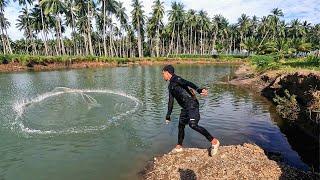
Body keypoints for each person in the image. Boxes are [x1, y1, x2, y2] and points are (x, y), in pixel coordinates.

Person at [162, 65, 220, 155]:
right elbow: (170, 101)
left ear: (167, 73)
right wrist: (168, 115)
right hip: (185, 108)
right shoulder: (170, 86)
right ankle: (179, 146)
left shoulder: (176, 79)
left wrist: (199, 90)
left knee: (192, 125)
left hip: (192, 104)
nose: (163, 76)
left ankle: (214, 141)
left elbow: (187, 83)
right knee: (181, 125)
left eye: (163, 74)